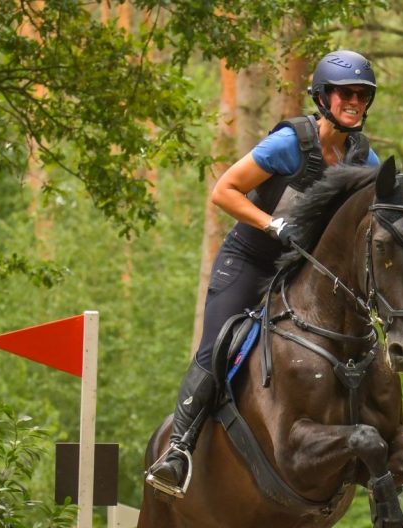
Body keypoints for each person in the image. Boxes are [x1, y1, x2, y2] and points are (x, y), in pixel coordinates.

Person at [146, 50, 382, 497]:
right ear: (322, 96)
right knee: (218, 347)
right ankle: (178, 451)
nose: (354, 100)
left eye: (362, 94)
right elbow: (224, 190)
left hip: (299, 270)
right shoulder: (290, 144)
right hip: (250, 259)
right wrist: (273, 223)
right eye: (345, 93)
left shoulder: (364, 162)